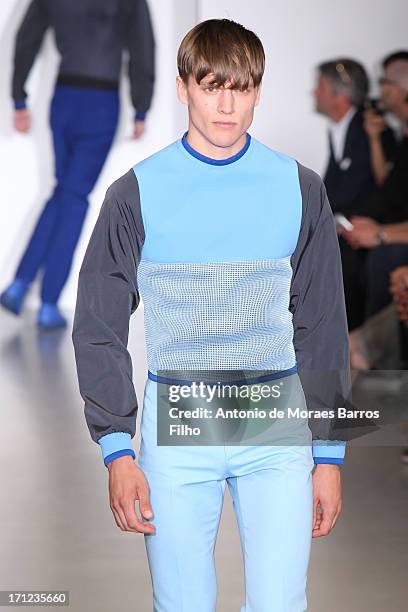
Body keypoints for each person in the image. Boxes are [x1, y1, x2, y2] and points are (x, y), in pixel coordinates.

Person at [72, 19, 351, 611]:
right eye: (210, 85)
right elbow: (99, 324)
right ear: (183, 87)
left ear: (257, 92)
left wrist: (328, 454)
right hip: (178, 432)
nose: (227, 104)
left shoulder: (300, 188)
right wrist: (117, 449)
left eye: (242, 88)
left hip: (274, 428)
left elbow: (323, 323)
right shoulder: (136, 194)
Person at [0, 0, 155, 329]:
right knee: (74, 199)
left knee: (65, 191)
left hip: (64, 98)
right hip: (101, 102)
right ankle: (48, 301)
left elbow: (27, 37)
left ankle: (20, 283)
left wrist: (19, 97)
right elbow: (143, 47)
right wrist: (141, 108)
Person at [314, 59, 397, 345]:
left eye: (320, 86)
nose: (314, 92)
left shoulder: (372, 128)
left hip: (366, 231)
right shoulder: (341, 130)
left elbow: (384, 190)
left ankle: (347, 344)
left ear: (340, 94)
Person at [339, 51, 408, 368]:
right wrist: (375, 138)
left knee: (384, 256)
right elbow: (388, 183)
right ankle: (351, 339)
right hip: (395, 227)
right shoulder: (400, 135)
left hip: (397, 240)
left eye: (386, 82)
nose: (381, 89)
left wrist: (380, 234)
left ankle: (373, 357)